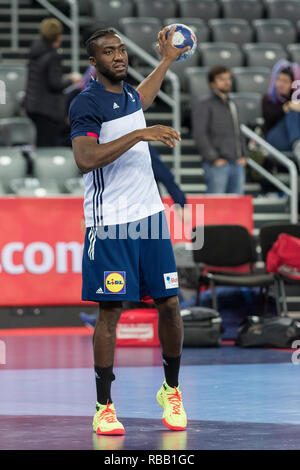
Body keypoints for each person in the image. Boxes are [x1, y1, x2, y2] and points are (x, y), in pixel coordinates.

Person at [69, 27, 189, 436]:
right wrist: (140, 133)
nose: (118, 56)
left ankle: (171, 391)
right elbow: (85, 159)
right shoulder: (85, 104)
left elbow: (144, 97)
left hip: (151, 219)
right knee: (111, 312)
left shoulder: (129, 97)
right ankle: (104, 405)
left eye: (121, 49)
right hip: (110, 224)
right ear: (93, 61)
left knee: (170, 305)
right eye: (109, 52)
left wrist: (168, 60)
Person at [24, 18, 81, 147]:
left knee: (41, 144)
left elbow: (44, 77)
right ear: (58, 36)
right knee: (47, 146)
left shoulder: (36, 50)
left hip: (33, 105)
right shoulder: (53, 55)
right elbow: (55, 84)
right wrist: (71, 79)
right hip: (46, 109)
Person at [192, 65, 247, 194]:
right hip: (216, 165)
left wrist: (244, 155)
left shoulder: (233, 104)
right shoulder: (204, 104)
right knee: (216, 209)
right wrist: (214, 159)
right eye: (222, 79)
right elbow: (199, 134)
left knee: (237, 210)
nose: (227, 82)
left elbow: (239, 132)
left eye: (229, 79)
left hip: (237, 163)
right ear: (212, 83)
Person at [262, 60, 300, 164]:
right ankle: (298, 145)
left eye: (285, 81)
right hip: (275, 139)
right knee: (292, 112)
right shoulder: (268, 99)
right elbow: (270, 119)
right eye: (278, 79)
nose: (280, 84)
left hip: (291, 140)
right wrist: (287, 107)